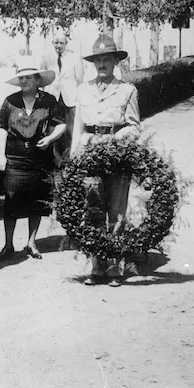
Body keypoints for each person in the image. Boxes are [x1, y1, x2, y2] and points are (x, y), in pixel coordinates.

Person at [70, 35, 141, 287]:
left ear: (114, 62)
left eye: (107, 59)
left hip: (118, 156)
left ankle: (114, 266)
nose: (102, 64)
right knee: (93, 209)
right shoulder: (83, 90)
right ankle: (96, 264)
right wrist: (74, 158)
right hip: (90, 156)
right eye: (98, 60)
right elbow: (78, 127)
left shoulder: (127, 90)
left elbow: (134, 127)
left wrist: (113, 140)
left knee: (117, 211)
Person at [0, 66, 67, 261]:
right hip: (15, 158)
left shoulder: (49, 101)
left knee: (37, 202)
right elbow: (2, 129)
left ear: (37, 80)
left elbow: (62, 123)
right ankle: (8, 244)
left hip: (39, 158)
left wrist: (51, 138)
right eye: (21, 78)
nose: (24, 81)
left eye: (28, 78)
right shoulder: (10, 101)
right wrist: (1, 156)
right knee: (11, 202)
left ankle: (31, 243)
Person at [41, 30, 84, 163]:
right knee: (53, 128)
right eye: (56, 43)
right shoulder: (47, 58)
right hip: (53, 98)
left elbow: (80, 79)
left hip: (69, 99)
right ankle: (56, 159)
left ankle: (70, 159)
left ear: (66, 43)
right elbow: (42, 76)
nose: (58, 45)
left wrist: (78, 97)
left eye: (61, 43)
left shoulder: (74, 58)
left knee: (70, 130)